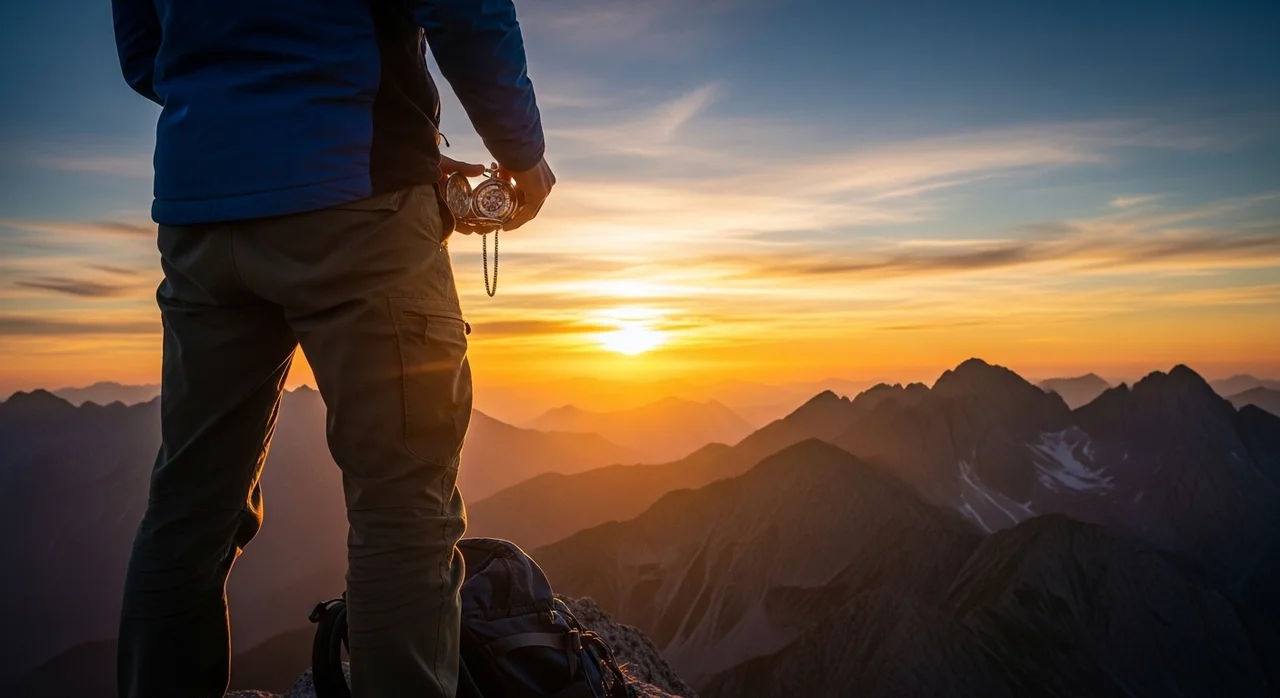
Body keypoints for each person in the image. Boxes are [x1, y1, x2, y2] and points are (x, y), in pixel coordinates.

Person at [110, 0, 554, 696]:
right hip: (361, 196)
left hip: (201, 213)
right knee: (403, 505)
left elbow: (143, 51)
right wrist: (522, 154)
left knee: (189, 505)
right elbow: (466, 8)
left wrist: (232, 107)